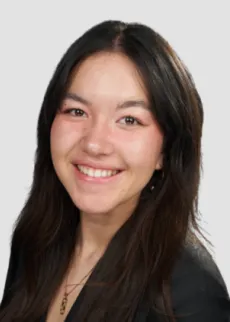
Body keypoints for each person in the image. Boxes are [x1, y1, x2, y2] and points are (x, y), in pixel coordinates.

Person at [0, 19, 229, 322]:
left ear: (166, 149)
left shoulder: (188, 295)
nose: (94, 144)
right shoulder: (38, 238)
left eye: (129, 120)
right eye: (76, 111)